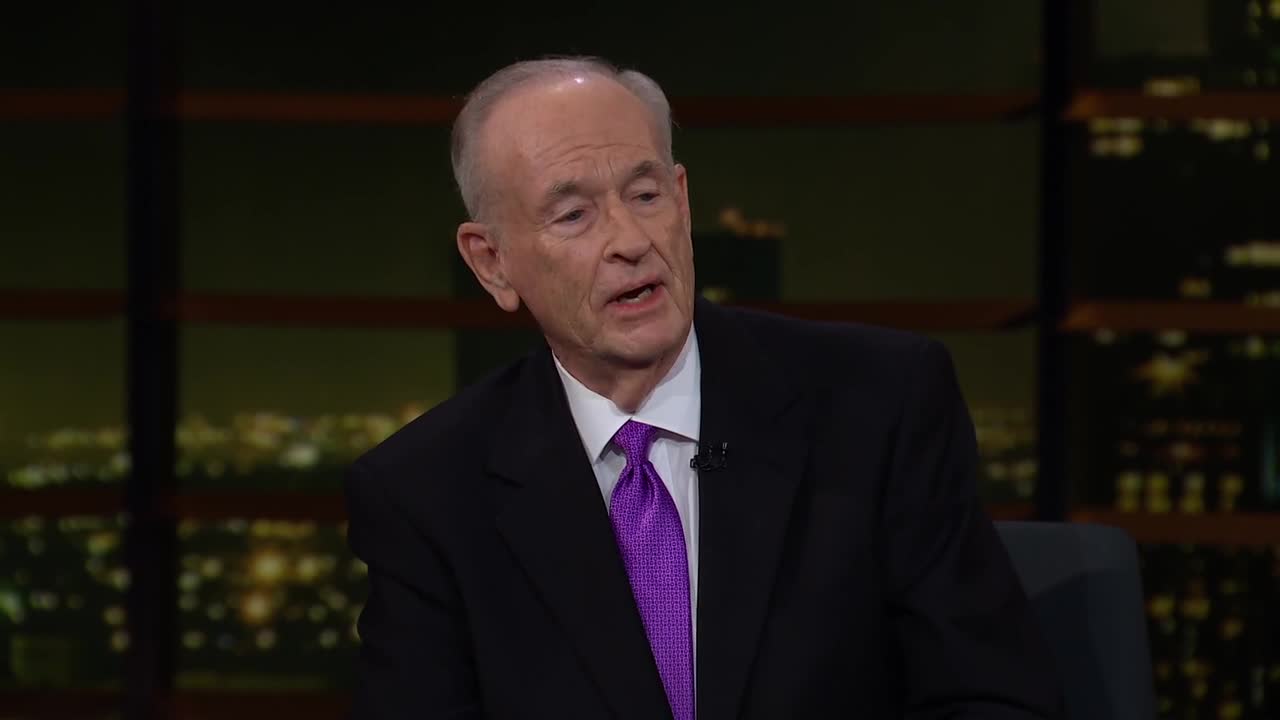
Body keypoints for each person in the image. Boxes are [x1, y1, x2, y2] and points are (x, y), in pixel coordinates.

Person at [345, 57, 1063, 719]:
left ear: (683, 201)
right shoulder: (427, 494)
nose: (631, 240)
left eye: (645, 194)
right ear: (492, 263)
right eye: (574, 215)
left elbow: (992, 699)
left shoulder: (880, 405)